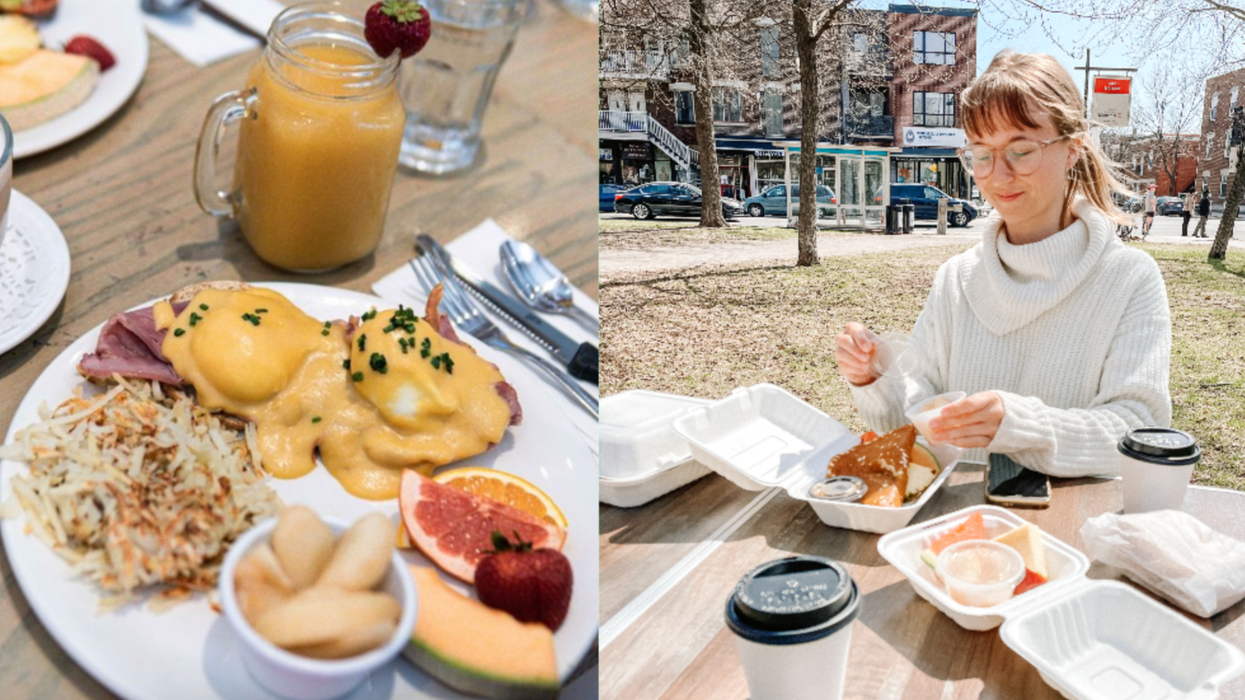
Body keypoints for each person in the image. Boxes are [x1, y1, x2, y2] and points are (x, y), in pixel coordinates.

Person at [834, 50, 1171, 478]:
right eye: (982, 153)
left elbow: (1140, 429)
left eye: (1021, 150)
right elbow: (918, 417)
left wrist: (1019, 426)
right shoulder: (957, 278)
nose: (998, 175)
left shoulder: (1129, 279)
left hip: (1071, 531)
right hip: (954, 529)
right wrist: (873, 378)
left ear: (1073, 149)